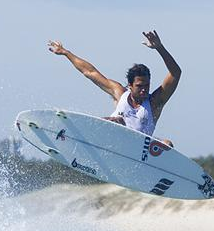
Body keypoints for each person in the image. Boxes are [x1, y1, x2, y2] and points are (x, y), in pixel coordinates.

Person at [47, 30, 181, 146]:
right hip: (111, 142)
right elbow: (90, 72)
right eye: (139, 86)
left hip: (139, 151)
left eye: (147, 85)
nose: (144, 89)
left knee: (167, 143)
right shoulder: (120, 93)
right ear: (130, 85)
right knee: (118, 120)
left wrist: (160, 48)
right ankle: (75, 134)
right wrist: (65, 52)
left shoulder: (154, 103)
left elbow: (175, 73)